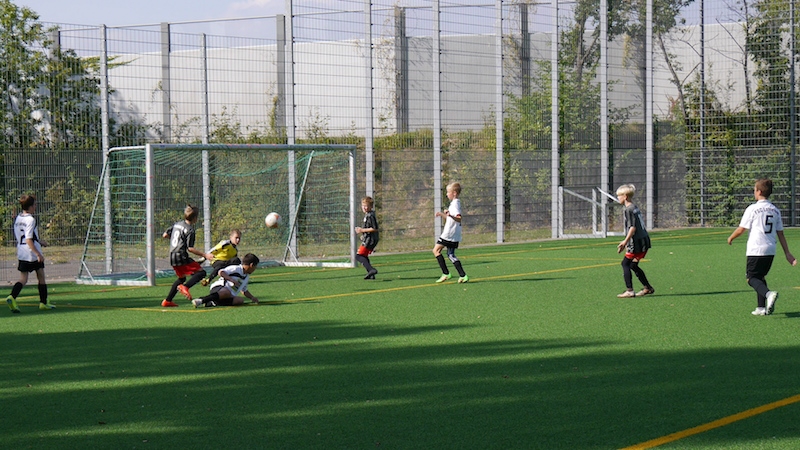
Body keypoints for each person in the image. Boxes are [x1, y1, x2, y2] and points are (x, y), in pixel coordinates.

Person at [727, 178, 796, 315]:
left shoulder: (753, 209)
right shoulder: (775, 210)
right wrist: (787, 253)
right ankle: (761, 308)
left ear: (758, 191)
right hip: (770, 249)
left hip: (756, 249)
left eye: (754, 190)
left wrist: (731, 237)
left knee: (751, 278)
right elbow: (780, 233)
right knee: (760, 276)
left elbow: (741, 229)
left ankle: (768, 294)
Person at [6, 194, 54, 313]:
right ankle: (43, 302)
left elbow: (28, 236)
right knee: (41, 276)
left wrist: (40, 242)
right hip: (31, 253)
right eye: (34, 205)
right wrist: (38, 254)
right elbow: (28, 239)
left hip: (22, 252)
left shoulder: (19, 218)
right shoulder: (31, 219)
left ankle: (12, 297)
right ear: (30, 206)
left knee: (23, 278)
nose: (35, 207)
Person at [161, 204, 213, 307]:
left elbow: (165, 235)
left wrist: (177, 240)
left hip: (172, 256)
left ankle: (167, 301)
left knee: (181, 278)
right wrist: (205, 255)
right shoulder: (190, 230)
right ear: (195, 218)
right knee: (201, 273)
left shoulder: (177, 224)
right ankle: (185, 287)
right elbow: (190, 248)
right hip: (181, 256)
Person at [615, 184, 655, 298]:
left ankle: (629, 290)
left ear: (625, 196)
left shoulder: (629, 209)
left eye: (619, 196)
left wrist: (625, 242)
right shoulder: (634, 207)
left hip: (637, 242)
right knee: (633, 265)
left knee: (625, 264)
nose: (618, 198)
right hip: (644, 240)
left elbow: (633, 228)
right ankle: (648, 288)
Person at [192, 253, 260, 307]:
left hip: (229, 295)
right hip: (219, 288)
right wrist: (231, 280)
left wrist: (252, 298)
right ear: (251, 265)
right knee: (227, 292)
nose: (255, 269)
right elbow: (221, 272)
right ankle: (201, 300)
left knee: (240, 300)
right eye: (255, 266)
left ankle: (212, 302)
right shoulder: (236, 268)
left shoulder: (246, 277)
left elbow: (244, 290)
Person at [433, 182, 469, 283]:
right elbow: (451, 219)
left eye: (448, 192)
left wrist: (450, 215)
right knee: (451, 255)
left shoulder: (455, 204)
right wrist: (443, 214)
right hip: (455, 234)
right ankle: (463, 275)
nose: (447, 194)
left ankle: (446, 273)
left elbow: (458, 218)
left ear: (454, 193)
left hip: (449, 233)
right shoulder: (455, 203)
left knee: (436, 251)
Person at [354, 196, 379, 279]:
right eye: (363, 206)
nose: (364, 208)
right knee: (364, 255)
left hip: (370, 240)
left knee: (358, 256)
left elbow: (374, 228)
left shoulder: (370, 216)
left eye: (366, 206)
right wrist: (363, 235)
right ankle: (371, 273)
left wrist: (362, 230)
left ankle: (371, 270)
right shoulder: (368, 215)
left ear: (371, 206)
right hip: (369, 238)